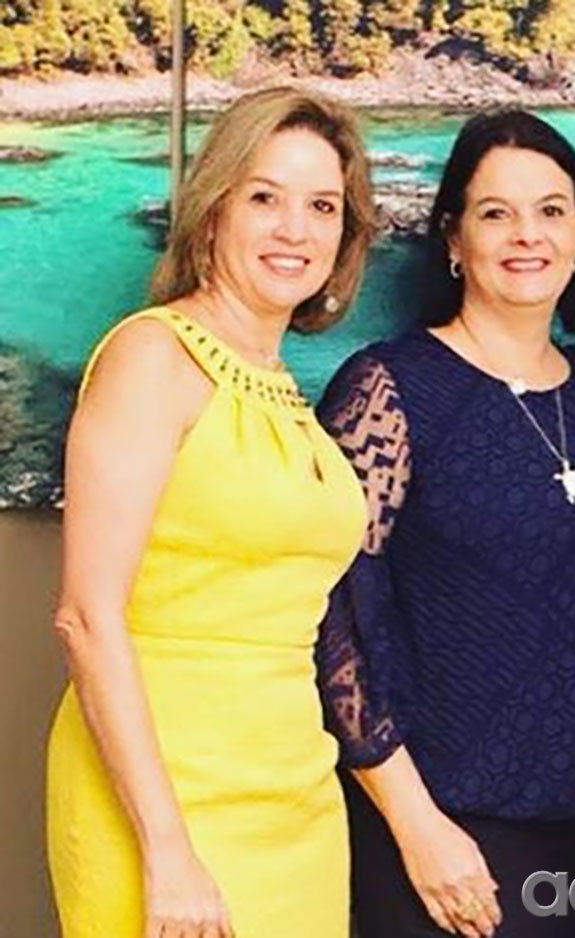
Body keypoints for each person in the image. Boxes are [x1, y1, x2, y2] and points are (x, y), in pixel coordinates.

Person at [45, 87, 376, 938]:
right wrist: (167, 848)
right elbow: (86, 617)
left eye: (322, 206)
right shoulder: (153, 356)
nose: (295, 229)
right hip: (164, 805)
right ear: (215, 209)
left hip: (295, 796)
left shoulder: (280, 388)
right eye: (265, 197)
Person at [315, 109, 575, 938]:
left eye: (551, 210)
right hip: (438, 839)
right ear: (454, 239)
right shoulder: (389, 388)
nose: (527, 234)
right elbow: (331, 618)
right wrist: (416, 827)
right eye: (496, 212)